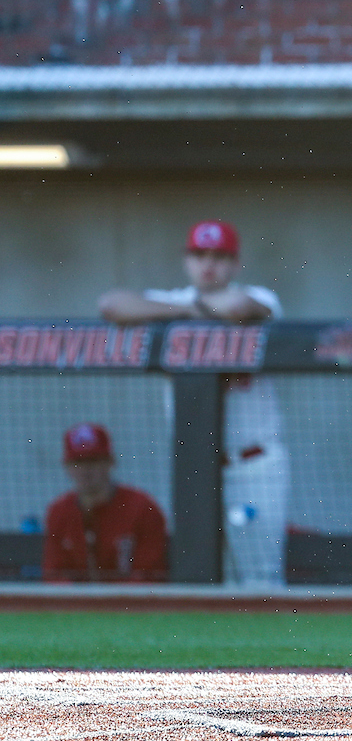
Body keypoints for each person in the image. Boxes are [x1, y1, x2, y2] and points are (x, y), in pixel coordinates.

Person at [98, 219, 290, 587]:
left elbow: (237, 307)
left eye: (219, 256)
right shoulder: (173, 301)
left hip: (253, 465)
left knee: (260, 580)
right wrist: (187, 312)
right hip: (196, 469)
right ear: (187, 260)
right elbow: (112, 305)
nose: (209, 264)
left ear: (235, 264)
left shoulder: (263, 297)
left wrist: (184, 312)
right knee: (200, 581)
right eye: (200, 254)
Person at [43, 422, 167, 582]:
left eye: (93, 461)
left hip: (129, 604)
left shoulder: (142, 508)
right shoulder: (58, 511)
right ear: (66, 467)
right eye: (77, 462)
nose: (85, 470)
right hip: (76, 605)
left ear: (110, 462)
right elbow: (53, 576)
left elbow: (149, 575)